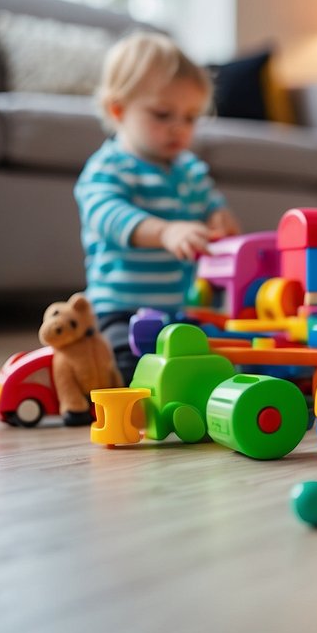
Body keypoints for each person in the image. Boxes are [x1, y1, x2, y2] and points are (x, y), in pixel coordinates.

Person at [74, 32, 240, 382]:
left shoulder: (190, 170)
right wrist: (165, 231)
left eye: (191, 118)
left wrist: (220, 221)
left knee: (215, 354)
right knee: (123, 363)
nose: (178, 128)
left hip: (178, 310)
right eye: (163, 114)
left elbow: (215, 207)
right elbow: (106, 215)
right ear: (117, 110)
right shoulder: (109, 167)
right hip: (118, 309)